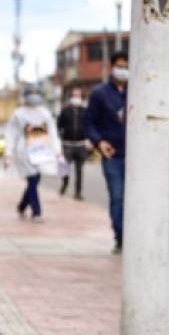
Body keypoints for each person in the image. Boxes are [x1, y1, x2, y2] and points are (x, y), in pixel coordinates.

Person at [84, 52, 129, 252]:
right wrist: (99, 142)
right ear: (111, 67)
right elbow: (89, 123)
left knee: (137, 198)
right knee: (117, 196)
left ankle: (134, 234)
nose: (123, 70)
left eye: (127, 66)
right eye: (120, 66)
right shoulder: (99, 93)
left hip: (138, 156)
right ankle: (121, 238)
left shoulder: (138, 90)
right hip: (113, 155)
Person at [6, 86, 63, 222]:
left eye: (36, 93)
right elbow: (11, 134)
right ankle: (37, 212)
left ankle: (22, 206)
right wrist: (8, 153)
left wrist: (57, 150)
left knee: (35, 180)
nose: (34, 96)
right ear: (25, 95)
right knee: (32, 179)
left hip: (40, 149)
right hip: (23, 150)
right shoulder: (18, 114)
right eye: (31, 93)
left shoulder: (45, 113)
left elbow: (53, 133)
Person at [57, 87, 90, 199]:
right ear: (70, 97)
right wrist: (60, 138)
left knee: (79, 170)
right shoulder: (65, 111)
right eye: (74, 96)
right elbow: (59, 125)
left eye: (78, 96)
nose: (76, 98)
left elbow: (89, 126)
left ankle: (78, 192)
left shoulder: (85, 111)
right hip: (67, 144)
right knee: (65, 167)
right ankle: (65, 183)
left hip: (81, 144)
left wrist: (89, 139)